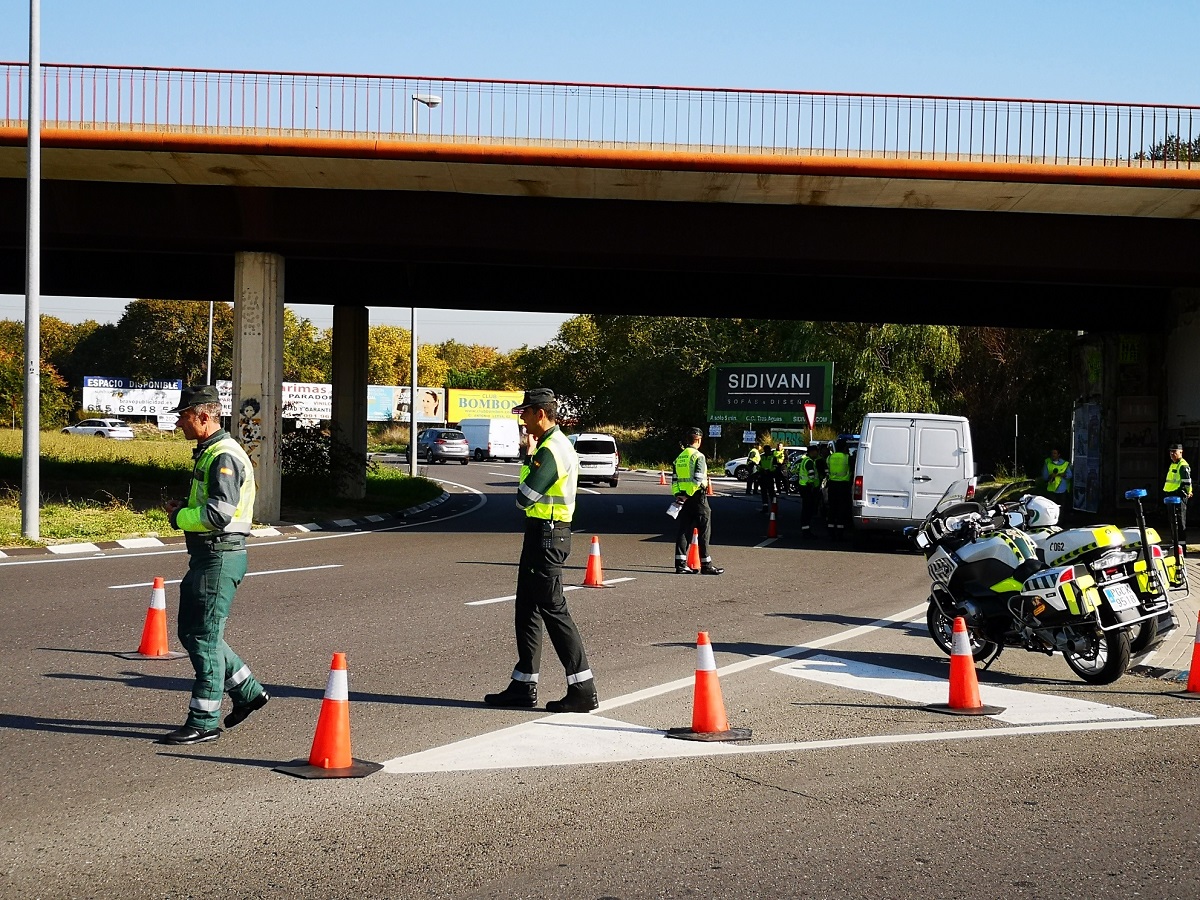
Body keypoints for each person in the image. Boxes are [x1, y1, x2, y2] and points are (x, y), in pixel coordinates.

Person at [159, 385, 268, 745]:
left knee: (203, 638)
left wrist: (179, 518)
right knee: (194, 632)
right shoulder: (211, 451)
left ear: (204, 416)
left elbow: (217, 515)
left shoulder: (223, 455)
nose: (179, 422)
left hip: (219, 554)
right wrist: (184, 512)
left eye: (183, 415)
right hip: (211, 555)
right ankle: (248, 692)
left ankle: (203, 721)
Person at [484, 388, 598, 714]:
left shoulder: (552, 450)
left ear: (540, 413)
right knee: (527, 609)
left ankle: (583, 688)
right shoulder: (549, 446)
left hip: (548, 536)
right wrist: (529, 457)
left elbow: (524, 497)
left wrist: (529, 462)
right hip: (541, 534)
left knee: (553, 609)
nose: (522, 419)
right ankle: (523, 684)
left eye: (525, 413)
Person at [671, 427, 725, 575]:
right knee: (704, 530)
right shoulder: (698, 456)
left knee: (684, 530)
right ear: (699, 440)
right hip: (697, 496)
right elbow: (698, 478)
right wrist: (688, 494)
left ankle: (680, 565)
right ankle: (706, 564)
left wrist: (679, 495)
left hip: (682, 496)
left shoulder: (679, 457)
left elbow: (674, 480)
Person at [825, 438, 852, 537]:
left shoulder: (830, 457)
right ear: (845, 447)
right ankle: (840, 532)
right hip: (843, 486)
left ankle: (830, 531)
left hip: (832, 485)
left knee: (832, 508)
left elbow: (827, 470)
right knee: (842, 508)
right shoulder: (847, 458)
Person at [1163, 443, 1192, 534]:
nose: (1172, 454)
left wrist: (1187, 491)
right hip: (1171, 495)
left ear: (1181, 452)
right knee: (1172, 520)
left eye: (1174, 452)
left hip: (1179, 495)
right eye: (1171, 452)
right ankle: (1174, 541)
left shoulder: (1183, 465)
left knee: (1179, 520)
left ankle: (1181, 543)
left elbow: (1186, 481)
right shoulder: (1173, 464)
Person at [793, 448, 820, 539]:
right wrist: (812, 483)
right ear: (811, 452)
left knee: (806, 509)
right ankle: (806, 531)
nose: (817, 453)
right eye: (816, 451)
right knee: (807, 510)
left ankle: (806, 529)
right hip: (808, 487)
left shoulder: (805, 460)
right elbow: (811, 474)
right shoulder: (809, 462)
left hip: (804, 487)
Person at [758, 441, 776, 512]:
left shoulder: (773, 458)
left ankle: (774, 507)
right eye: (765, 450)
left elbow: (775, 467)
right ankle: (765, 506)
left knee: (771, 492)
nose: (766, 451)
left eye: (768, 450)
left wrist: (769, 471)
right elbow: (759, 466)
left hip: (770, 476)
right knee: (763, 492)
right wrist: (761, 471)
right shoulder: (762, 457)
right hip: (763, 476)